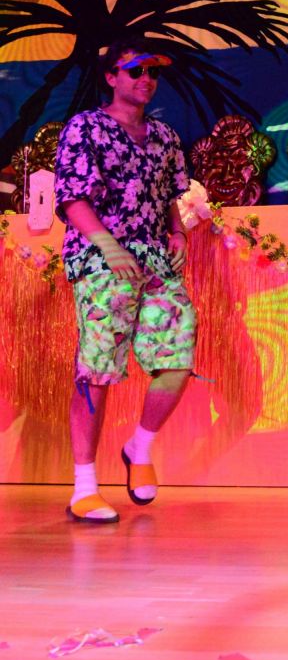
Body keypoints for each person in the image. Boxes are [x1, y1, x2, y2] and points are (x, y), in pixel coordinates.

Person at [55, 39, 196, 524]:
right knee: (98, 370)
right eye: (134, 71)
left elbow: (169, 195)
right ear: (111, 77)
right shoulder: (86, 127)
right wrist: (108, 246)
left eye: (151, 72)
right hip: (102, 259)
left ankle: (140, 447)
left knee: (177, 358)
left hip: (155, 259)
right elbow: (73, 198)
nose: (145, 79)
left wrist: (177, 232)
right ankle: (84, 488)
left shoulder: (165, 136)